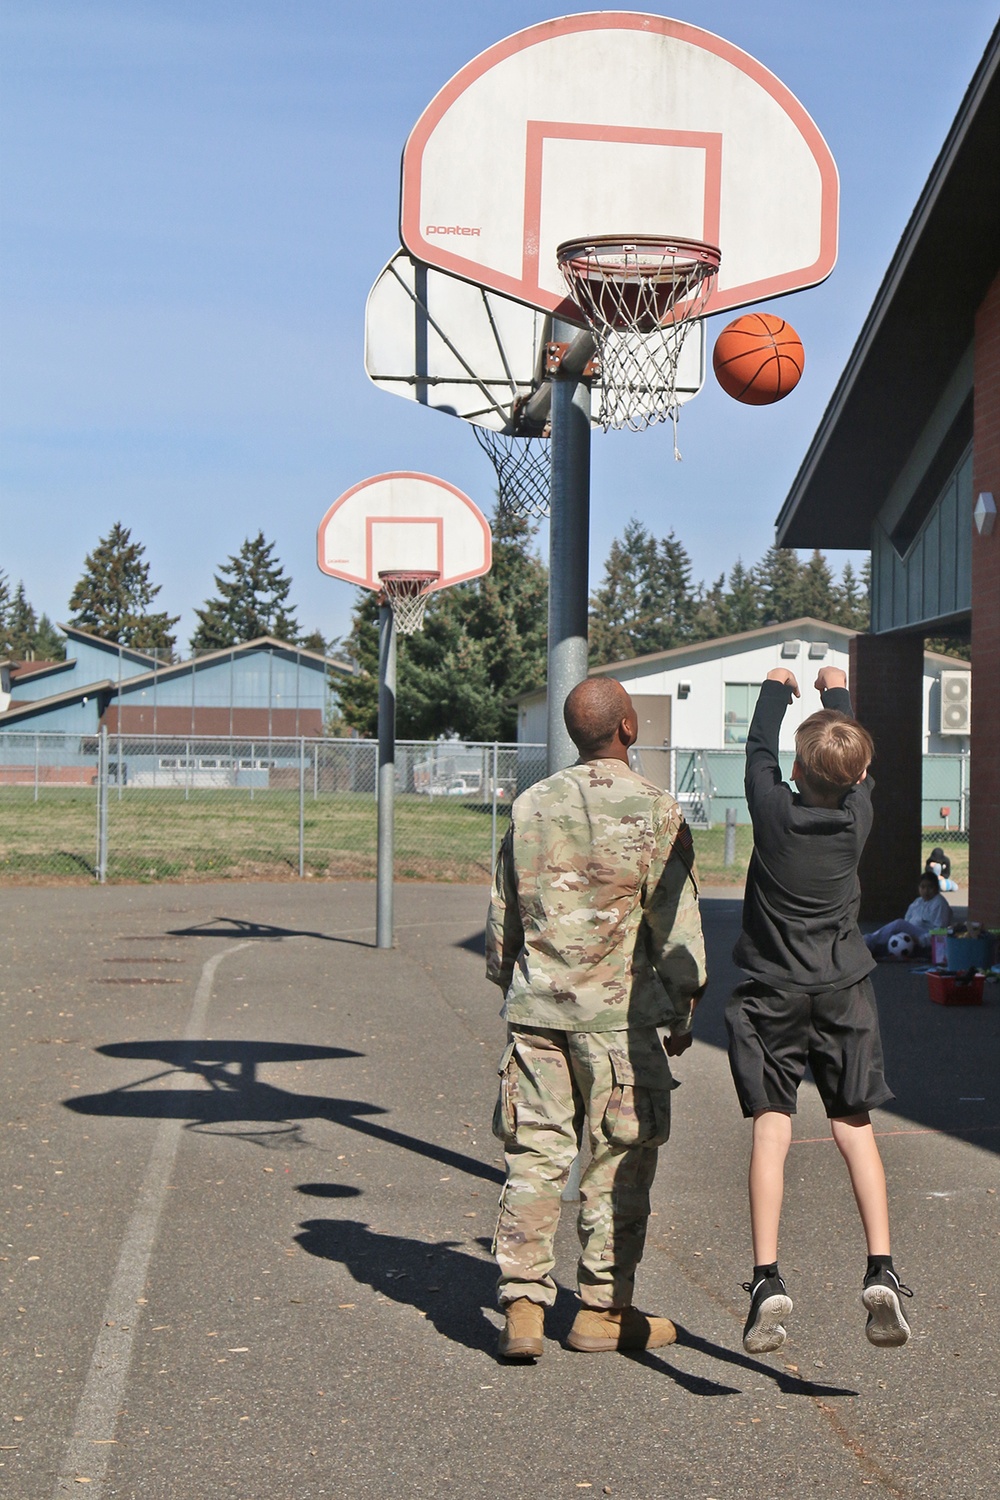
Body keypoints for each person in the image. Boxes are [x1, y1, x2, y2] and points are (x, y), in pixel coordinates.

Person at [485, 676, 707, 1361]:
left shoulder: (530, 805)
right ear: (628, 729)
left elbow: (504, 917)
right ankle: (602, 1311)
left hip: (539, 1013)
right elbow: (675, 930)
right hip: (621, 1022)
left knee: (535, 1158)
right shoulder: (657, 809)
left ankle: (523, 1307)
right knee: (617, 1166)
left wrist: (510, 975)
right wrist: (683, 1005)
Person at [726, 665, 912, 1355]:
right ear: (859, 778)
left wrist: (777, 690)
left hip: (772, 991)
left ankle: (767, 1278)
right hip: (843, 990)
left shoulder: (773, 813)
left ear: (798, 771)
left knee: (773, 1130)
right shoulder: (858, 815)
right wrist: (839, 693)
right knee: (854, 1127)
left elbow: (757, 751)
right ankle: (881, 1265)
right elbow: (852, 761)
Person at [863, 871, 953, 958]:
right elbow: (907, 921)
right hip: (909, 936)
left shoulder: (939, 903)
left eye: (930, 887)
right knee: (892, 934)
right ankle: (871, 947)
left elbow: (941, 930)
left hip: (927, 936)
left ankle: (868, 940)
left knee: (899, 924)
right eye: (923, 887)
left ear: (936, 888)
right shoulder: (917, 902)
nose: (926, 891)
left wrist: (921, 940)